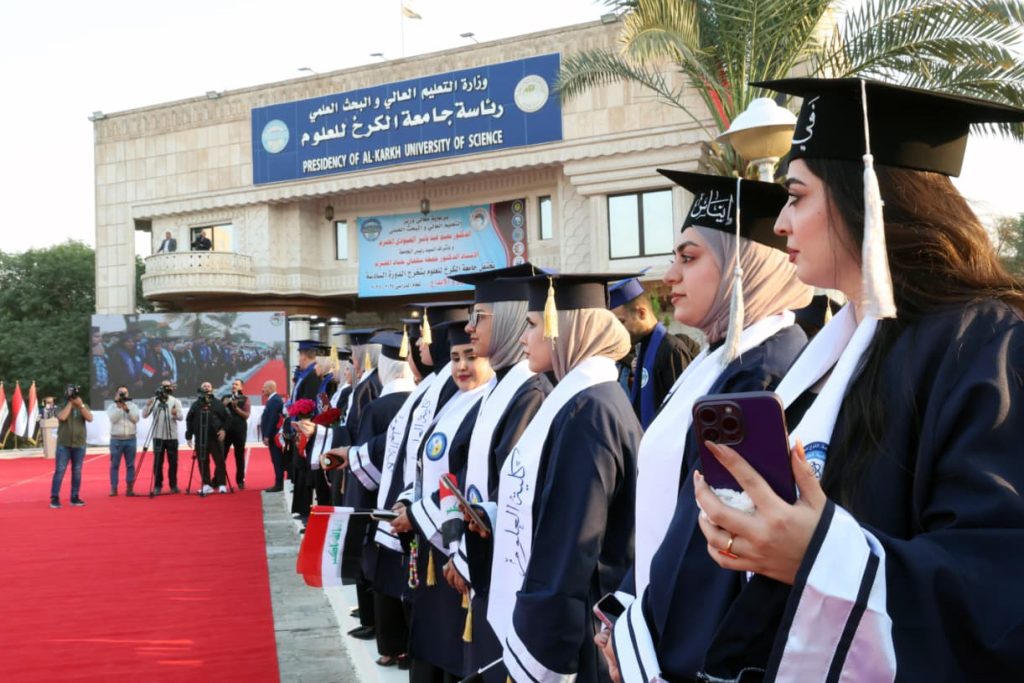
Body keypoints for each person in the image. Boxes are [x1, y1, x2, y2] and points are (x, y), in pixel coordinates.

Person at [682, 79, 1024, 682]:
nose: (779, 224)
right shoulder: (835, 356)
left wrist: (818, 555)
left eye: (796, 197)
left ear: (868, 198)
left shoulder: (987, 346)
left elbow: (999, 578)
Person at [601, 172, 813, 682]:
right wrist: (626, 604)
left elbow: (708, 535)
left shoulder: (763, 374)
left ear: (743, 267)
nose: (670, 275)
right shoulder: (719, 360)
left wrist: (636, 635)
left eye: (689, 258)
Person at [487, 273, 643, 683]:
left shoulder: (588, 411)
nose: (523, 337)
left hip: (586, 628)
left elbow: (573, 541)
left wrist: (541, 650)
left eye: (532, 324)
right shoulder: (592, 397)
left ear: (565, 328)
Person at [446, 264, 554, 682]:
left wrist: (467, 557)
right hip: (483, 558)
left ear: (510, 318)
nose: (469, 328)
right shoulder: (499, 387)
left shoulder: (530, 392)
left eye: (479, 316)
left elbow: (510, 492)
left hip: (505, 565)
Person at [399, 322, 495, 682]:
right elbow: (425, 462)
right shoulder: (452, 401)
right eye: (455, 358)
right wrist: (408, 501)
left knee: (454, 647)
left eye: (470, 356)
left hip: (458, 545)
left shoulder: (489, 405)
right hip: (433, 539)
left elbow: (469, 479)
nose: (461, 366)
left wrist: (417, 514)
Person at [322, 331, 418, 667]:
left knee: (385, 573)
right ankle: (408, 646)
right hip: (410, 498)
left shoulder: (378, 406)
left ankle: (391, 645)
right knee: (410, 575)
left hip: (381, 499)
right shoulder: (418, 400)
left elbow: (368, 454)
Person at [608, 274, 700, 428]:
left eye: (621, 322)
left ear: (642, 313)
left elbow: (684, 412)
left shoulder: (671, 350)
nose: (617, 331)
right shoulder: (643, 350)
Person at [50, 385, 93, 508]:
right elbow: (62, 417)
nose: (72, 394)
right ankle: (54, 497)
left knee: (77, 471)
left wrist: (81, 406)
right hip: (64, 444)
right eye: (70, 392)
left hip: (79, 444)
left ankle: (74, 497)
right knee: (60, 470)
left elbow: (90, 418)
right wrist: (70, 403)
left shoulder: (83, 405)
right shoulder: (61, 406)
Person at [185, 381, 229, 494]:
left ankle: (222, 484)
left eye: (209, 386)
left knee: (219, 461)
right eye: (204, 386)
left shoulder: (218, 403)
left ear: (212, 389)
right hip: (200, 438)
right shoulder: (196, 404)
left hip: (215, 437)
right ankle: (207, 485)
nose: (206, 387)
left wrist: (223, 430)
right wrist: (189, 436)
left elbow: (227, 419)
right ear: (201, 389)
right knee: (202, 461)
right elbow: (189, 420)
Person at [143, 380, 183, 494]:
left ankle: (173, 485)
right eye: (164, 386)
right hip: (158, 436)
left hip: (172, 436)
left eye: (168, 386)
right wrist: (147, 405)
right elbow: (144, 415)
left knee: (173, 462)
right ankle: (157, 486)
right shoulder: (155, 400)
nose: (166, 388)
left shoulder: (175, 401)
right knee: (157, 462)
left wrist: (175, 414)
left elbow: (181, 417)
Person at [106, 385, 141, 496]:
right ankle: (114, 488)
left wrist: (126, 409)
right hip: (116, 439)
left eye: (124, 393)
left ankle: (130, 488)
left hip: (131, 439)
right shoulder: (112, 406)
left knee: (130, 465)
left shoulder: (133, 406)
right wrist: (119, 407)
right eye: (120, 392)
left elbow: (135, 419)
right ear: (116, 394)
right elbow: (113, 419)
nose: (122, 395)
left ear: (128, 394)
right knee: (114, 465)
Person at [221, 378, 251, 490]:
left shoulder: (245, 399)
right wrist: (223, 405)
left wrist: (236, 408)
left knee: (239, 456)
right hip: (226, 430)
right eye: (233, 384)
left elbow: (246, 415)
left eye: (236, 384)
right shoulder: (225, 397)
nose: (234, 386)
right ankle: (218, 479)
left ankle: (240, 481)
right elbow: (218, 413)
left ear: (241, 387)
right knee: (221, 455)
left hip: (239, 431)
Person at [260, 380, 285, 492]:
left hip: (274, 436)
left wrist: (267, 435)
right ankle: (278, 483)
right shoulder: (273, 400)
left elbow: (272, 420)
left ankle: (279, 484)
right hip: (273, 435)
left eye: (264, 387)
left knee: (277, 459)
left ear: (270, 388)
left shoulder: (274, 400)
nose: (262, 390)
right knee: (275, 459)